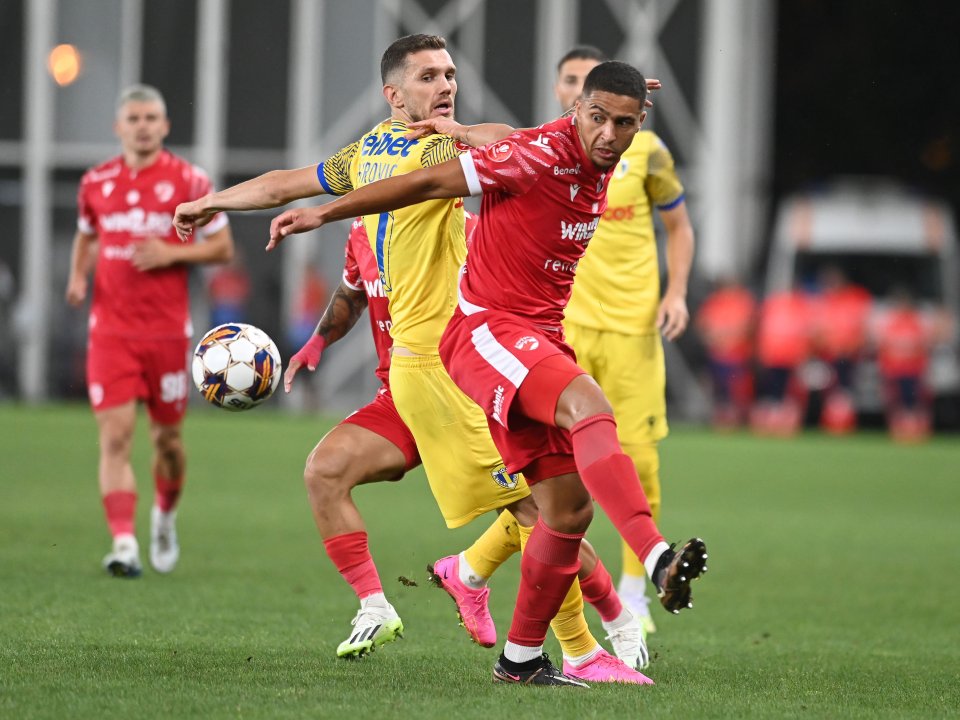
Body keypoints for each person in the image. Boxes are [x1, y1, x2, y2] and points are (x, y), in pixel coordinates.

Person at [174, 36, 648, 682]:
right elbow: (289, 185)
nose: (445, 84)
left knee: (544, 511)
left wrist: (559, 114)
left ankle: (597, 635)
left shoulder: (455, 145)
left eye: (450, 73)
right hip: (405, 378)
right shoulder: (368, 153)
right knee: (328, 471)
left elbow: (506, 134)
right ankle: (382, 603)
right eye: (429, 76)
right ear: (394, 94)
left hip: (452, 367)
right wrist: (213, 203)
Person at [264, 60, 708, 688]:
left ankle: (520, 657)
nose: (609, 133)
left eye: (624, 122)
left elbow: (509, 132)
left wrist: (481, 126)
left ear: (641, 121)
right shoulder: (533, 155)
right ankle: (654, 558)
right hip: (484, 332)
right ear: (576, 110)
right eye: (597, 117)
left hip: (535, 335)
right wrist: (324, 212)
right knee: (589, 412)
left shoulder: (594, 152)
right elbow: (426, 184)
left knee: (564, 512)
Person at [553, 46, 696, 634]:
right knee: (551, 467)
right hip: (562, 327)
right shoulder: (546, 149)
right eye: (571, 82)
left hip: (634, 330)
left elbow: (679, 225)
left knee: (637, 460)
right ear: (565, 93)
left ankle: (635, 591)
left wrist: (677, 292)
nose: (578, 89)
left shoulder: (647, 152)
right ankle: (555, 584)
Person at [65, 84, 234, 577]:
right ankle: (123, 544)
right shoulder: (95, 182)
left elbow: (222, 249)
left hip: (165, 335)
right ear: (119, 127)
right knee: (115, 438)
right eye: (133, 118)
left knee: (167, 443)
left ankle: (164, 515)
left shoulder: (189, 180)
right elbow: (86, 234)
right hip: (111, 333)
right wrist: (78, 276)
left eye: (150, 118)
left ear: (165, 126)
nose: (142, 126)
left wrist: (173, 253)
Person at [696, 279, 757, 428]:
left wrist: (728, 337)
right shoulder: (714, 302)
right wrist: (714, 339)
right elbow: (703, 326)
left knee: (738, 390)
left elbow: (749, 326)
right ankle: (722, 419)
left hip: (738, 355)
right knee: (719, 390)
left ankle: (738, 419)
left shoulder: (743, 301)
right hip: (717, 355)